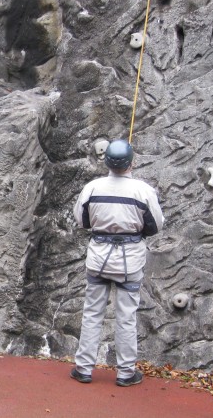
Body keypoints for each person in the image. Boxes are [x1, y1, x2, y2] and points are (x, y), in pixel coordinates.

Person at [70, 139, 164, 387]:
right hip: (129, 261)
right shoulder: (143, 191)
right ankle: (125, 372)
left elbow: (82, 220)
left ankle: (83, 368)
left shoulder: (92, 187)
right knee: (126, 316)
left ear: (107, 162)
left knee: (92, 312)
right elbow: (155, 225)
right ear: (131, 162)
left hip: (98, 256)